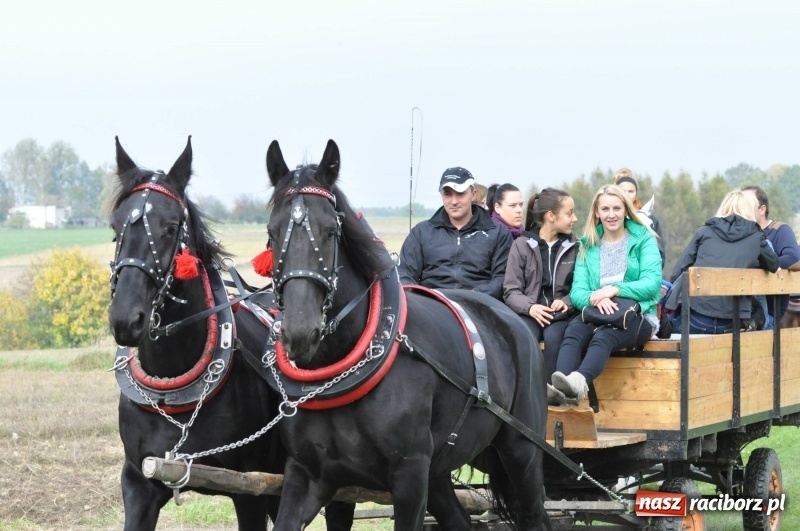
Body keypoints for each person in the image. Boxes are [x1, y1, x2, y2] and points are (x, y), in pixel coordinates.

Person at [550, 185, 662, 402]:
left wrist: (614, 290)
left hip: (636, 315)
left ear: (626, 210)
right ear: (596, 212)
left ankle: (579, 383)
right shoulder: (588, 245)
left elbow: (652, 283)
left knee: (604, 336)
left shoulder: (643, 239)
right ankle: (559, 389)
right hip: (596, 312)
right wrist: (594, 297)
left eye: (617, 208)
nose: (611, 215)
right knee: (573, 332)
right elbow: (577, 292)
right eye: (606, 209)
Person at [503, 188, 578, 404]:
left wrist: (566, 302)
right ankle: (522, 398)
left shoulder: (575, 246)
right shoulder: (521, 245)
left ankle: (551, 397)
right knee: (523, 335)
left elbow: (581, 287)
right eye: (569, 213)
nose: (574, 219)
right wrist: (530, 307)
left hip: (561, 315)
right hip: (530, 313)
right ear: (551, 216)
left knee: (556, 338)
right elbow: (511, 290)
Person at [667, 189, 779, 334]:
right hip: (733, 321)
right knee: (760, 312)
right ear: (749, 210)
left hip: (696, 317)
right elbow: (774, 265)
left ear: (724, 207)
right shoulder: (756, 236)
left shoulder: (705, 231)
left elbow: (678, 270)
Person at [398, 167, 513, 300]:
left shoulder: (498, 233)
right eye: (447, 194)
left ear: (473, 194)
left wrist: (474, 296)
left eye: (460, 193)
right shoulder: (421, 232)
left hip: (481, 306)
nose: (454, 201)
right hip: (432, 307)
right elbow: (404, 274)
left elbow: (503, 277)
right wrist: (421, 299)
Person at [742, 185, 800, 327]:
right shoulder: (738, 232)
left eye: (747, 203)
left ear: (762, 209)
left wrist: (760, 266)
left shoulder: (779, 230)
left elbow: (794, 258)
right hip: (738, 311)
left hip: (766, 314)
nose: (742, 207)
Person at [613, 168, 666, 268]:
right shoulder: (609, 219)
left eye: (631, 191)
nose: (627, 194)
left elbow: (659, 254)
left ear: (636, 193)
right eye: (623, 191)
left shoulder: (649, 220)